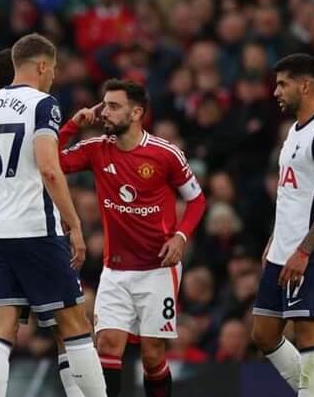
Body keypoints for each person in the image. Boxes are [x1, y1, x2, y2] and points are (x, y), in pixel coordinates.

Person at [0, 33, 106, 397]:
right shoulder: (44, 104)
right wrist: (73, 225)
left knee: (1, 331)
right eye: (53, 68)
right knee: (74, 323)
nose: (54, 75)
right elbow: (50, 169)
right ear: (42, 66)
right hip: (36, 229)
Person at [58, 79, 207, 397]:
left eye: (113, 106)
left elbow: (197, 200)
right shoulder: (96, 149)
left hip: (158, 269)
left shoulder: (165, 154)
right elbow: (49, 161)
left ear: (137, 112)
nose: (104, 112)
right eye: (104, 104)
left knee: (153, 355)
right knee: (108, 345)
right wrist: (73, 123)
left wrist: (180, 236)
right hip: (115, 270)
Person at [250, 53, 314, 397]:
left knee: (308, 334)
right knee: (263, 333)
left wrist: (304, 251)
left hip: (311, 252)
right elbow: (292, 193)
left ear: (305, 86)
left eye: (283, 84)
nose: (276, 91)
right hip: (282, 249)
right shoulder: (294, 131)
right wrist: (276, 240)